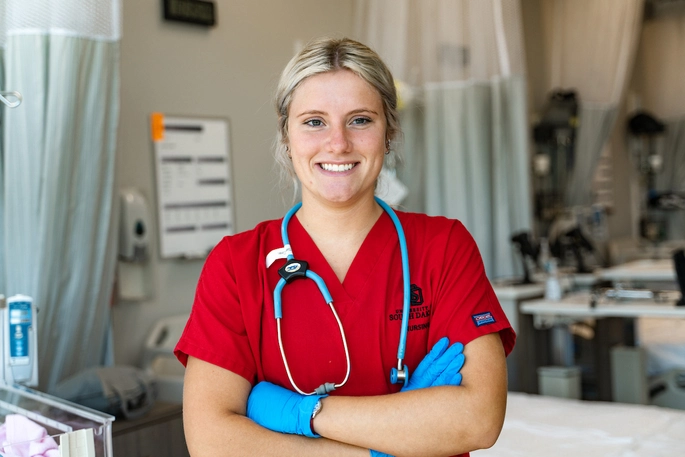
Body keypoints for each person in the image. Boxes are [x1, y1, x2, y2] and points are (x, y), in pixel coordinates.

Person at [174, 36, 515, 457]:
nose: (337, 143)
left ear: (388, 132)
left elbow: (478, 420)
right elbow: (212, 441)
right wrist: (385, 448)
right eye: (314, 121)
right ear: (286, 136)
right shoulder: (235, 265)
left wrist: (302, 414)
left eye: (360, 120)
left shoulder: (443, 247)